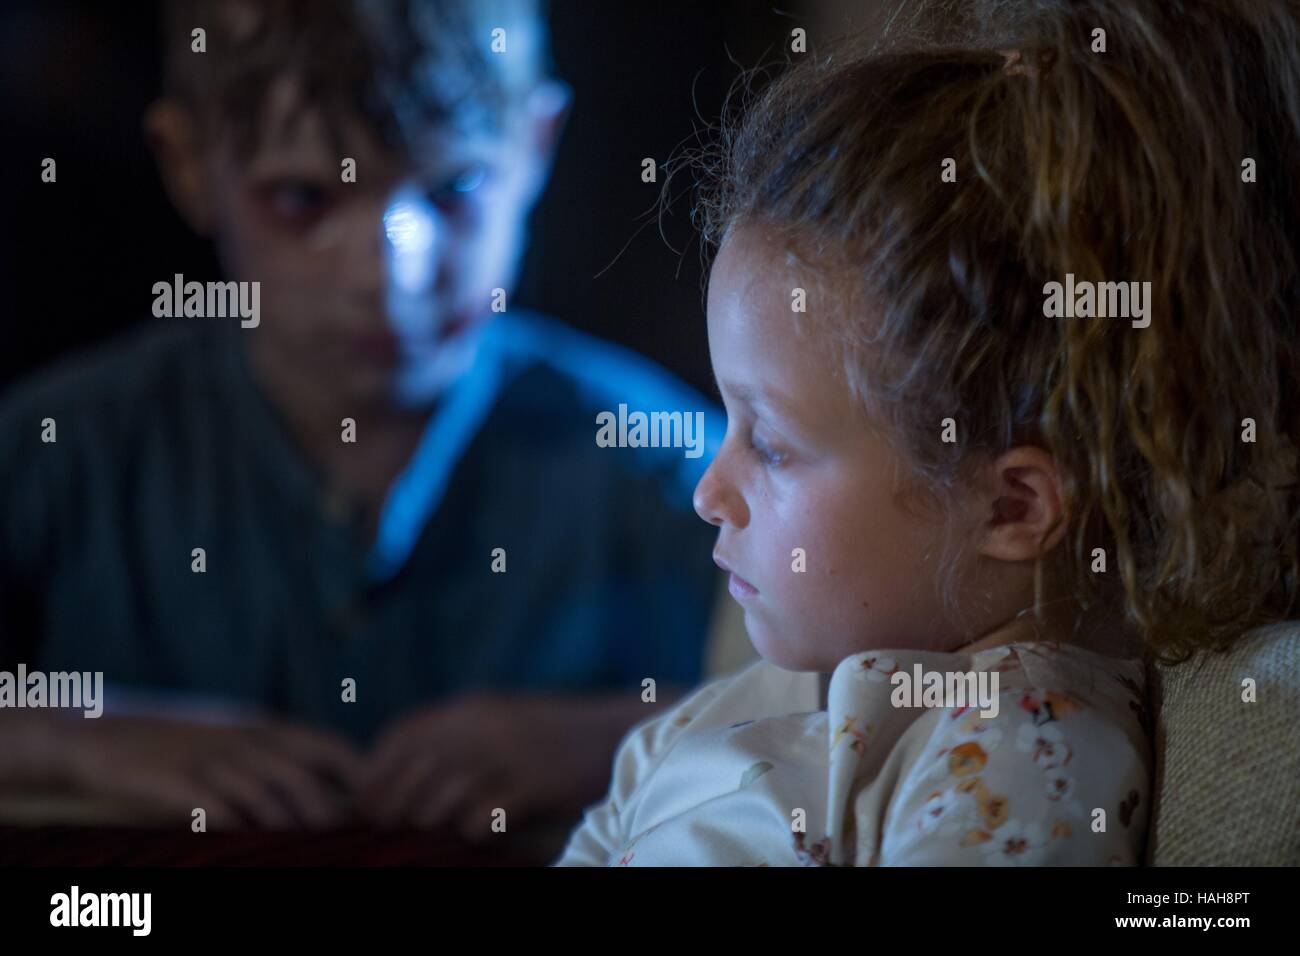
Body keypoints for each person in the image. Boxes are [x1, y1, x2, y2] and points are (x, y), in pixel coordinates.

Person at [556, 0, 1300, 865]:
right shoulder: (737, 704)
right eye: (731, 420)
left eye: (772, 445)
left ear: (1011, 508)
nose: (708, 491)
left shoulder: (1019, 754)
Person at [0, 0, 723, 838]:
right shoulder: (66, 451)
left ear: (535, 146)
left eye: (453, 188)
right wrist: (70, 738)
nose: (388, 273)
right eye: (302, 198)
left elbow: (862, 705)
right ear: (188, 164)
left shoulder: (658, 456)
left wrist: (621, 739)